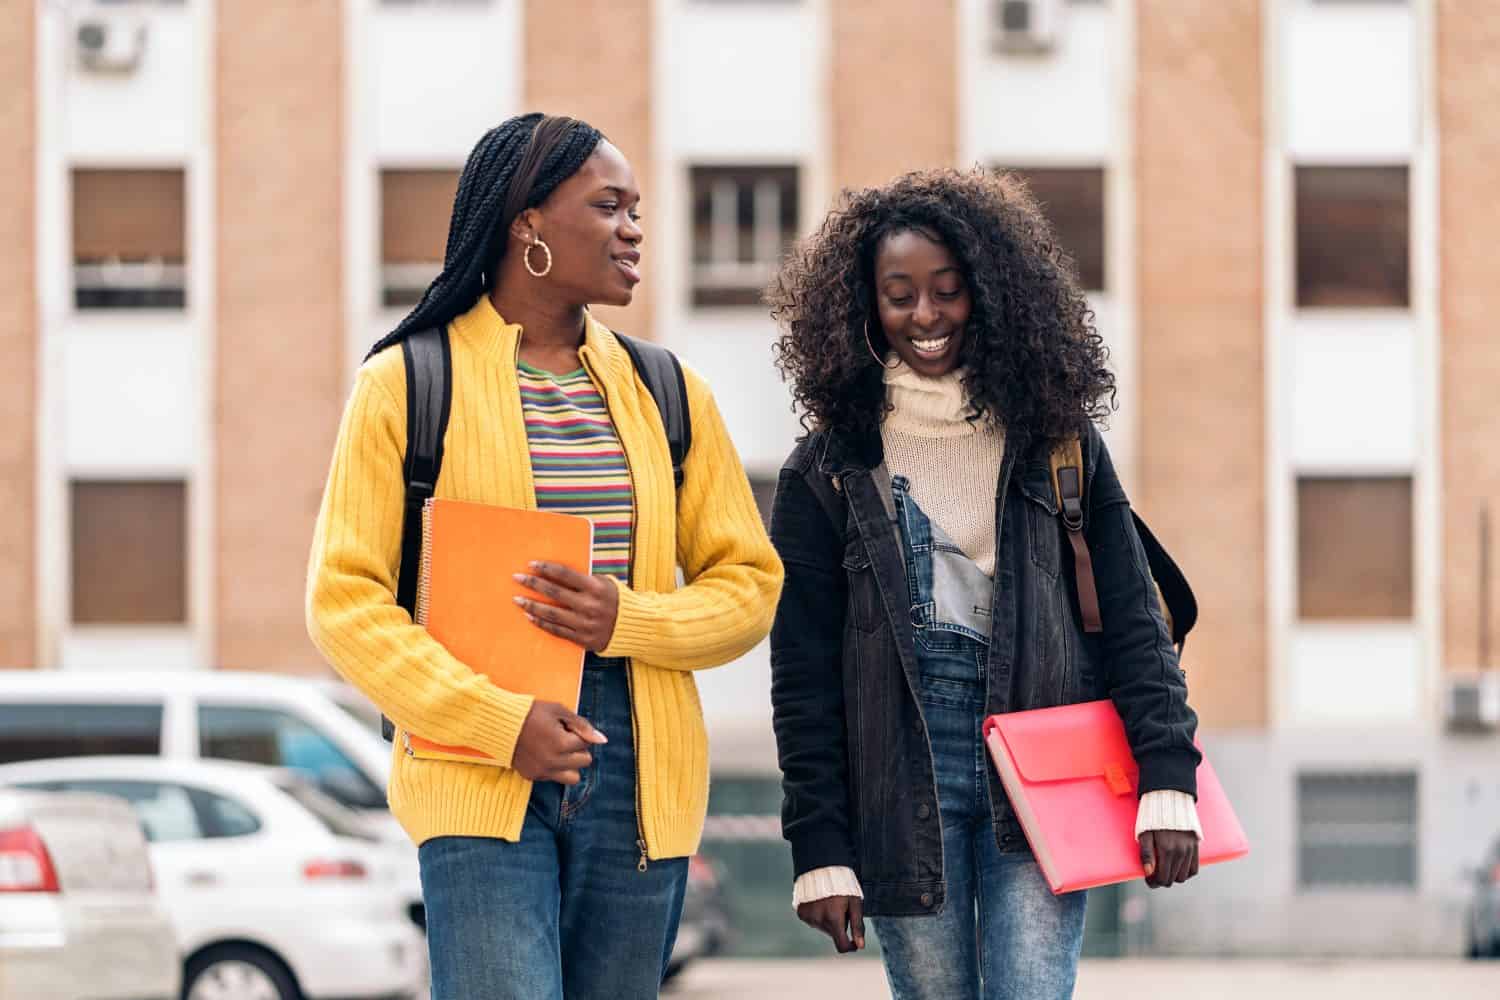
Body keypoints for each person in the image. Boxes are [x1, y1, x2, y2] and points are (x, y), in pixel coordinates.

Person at [306, 113, 783, 1000]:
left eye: (637, 208)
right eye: (609, 205)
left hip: (640, 770)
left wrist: (626, 618)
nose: (635, 228)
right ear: (527, 222)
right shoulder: (407, 382)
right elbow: (345, 602)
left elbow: (750, 585)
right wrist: (498, 723)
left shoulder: (669, 391)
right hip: (476, 761)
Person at [765, 167, 1202, 1000]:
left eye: (947, 290)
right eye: (899, 295)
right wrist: (818, 845)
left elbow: (1137, 625)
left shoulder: (1060, 445)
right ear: (864, 308)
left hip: (1048, 771)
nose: (925, 316)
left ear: (991, 295)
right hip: (895, 786)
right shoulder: (823, 473)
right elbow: (804, 680)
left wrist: (1169, 776)